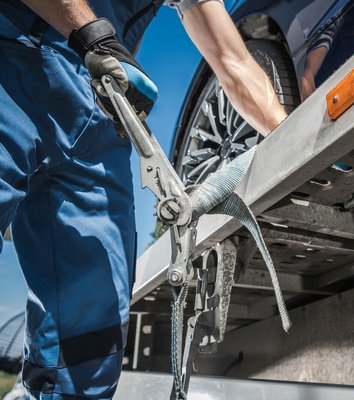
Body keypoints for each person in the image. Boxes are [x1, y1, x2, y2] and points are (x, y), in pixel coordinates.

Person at [0, 0, 287, 398]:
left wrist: (295, 139)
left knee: (88, 346)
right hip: (15, 60)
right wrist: (90, 33)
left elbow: (232, 60)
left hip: (100, 118)